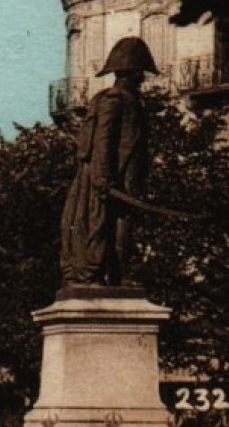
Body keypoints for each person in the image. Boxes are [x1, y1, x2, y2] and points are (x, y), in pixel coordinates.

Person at [59, 37, 156, 289]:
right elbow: (103, 140)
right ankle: (95, 274)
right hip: (107, 179)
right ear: (131, 73)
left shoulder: (132, 101)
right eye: (140, 74)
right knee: (98, 224)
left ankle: (119, 275)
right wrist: (102, 178)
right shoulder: (113, 100)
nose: (143, 79)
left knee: (122, 225)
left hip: (125, 178)